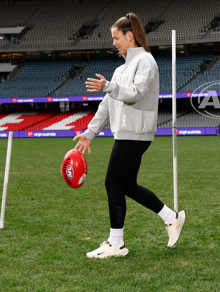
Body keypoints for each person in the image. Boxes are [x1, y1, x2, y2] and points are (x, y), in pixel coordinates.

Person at [73, 13, 185, 259]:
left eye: (116, 37)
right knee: (126, 185)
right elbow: (106, 105)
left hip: (136, 133)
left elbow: (135, 93)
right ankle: (171, 218)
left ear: (130, 36)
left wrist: (109, 87)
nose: (114, 42)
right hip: (126, 133)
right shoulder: (120, 68)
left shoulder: (145, 61)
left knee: (112, 183)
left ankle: (116, 243)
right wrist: (90, 133)